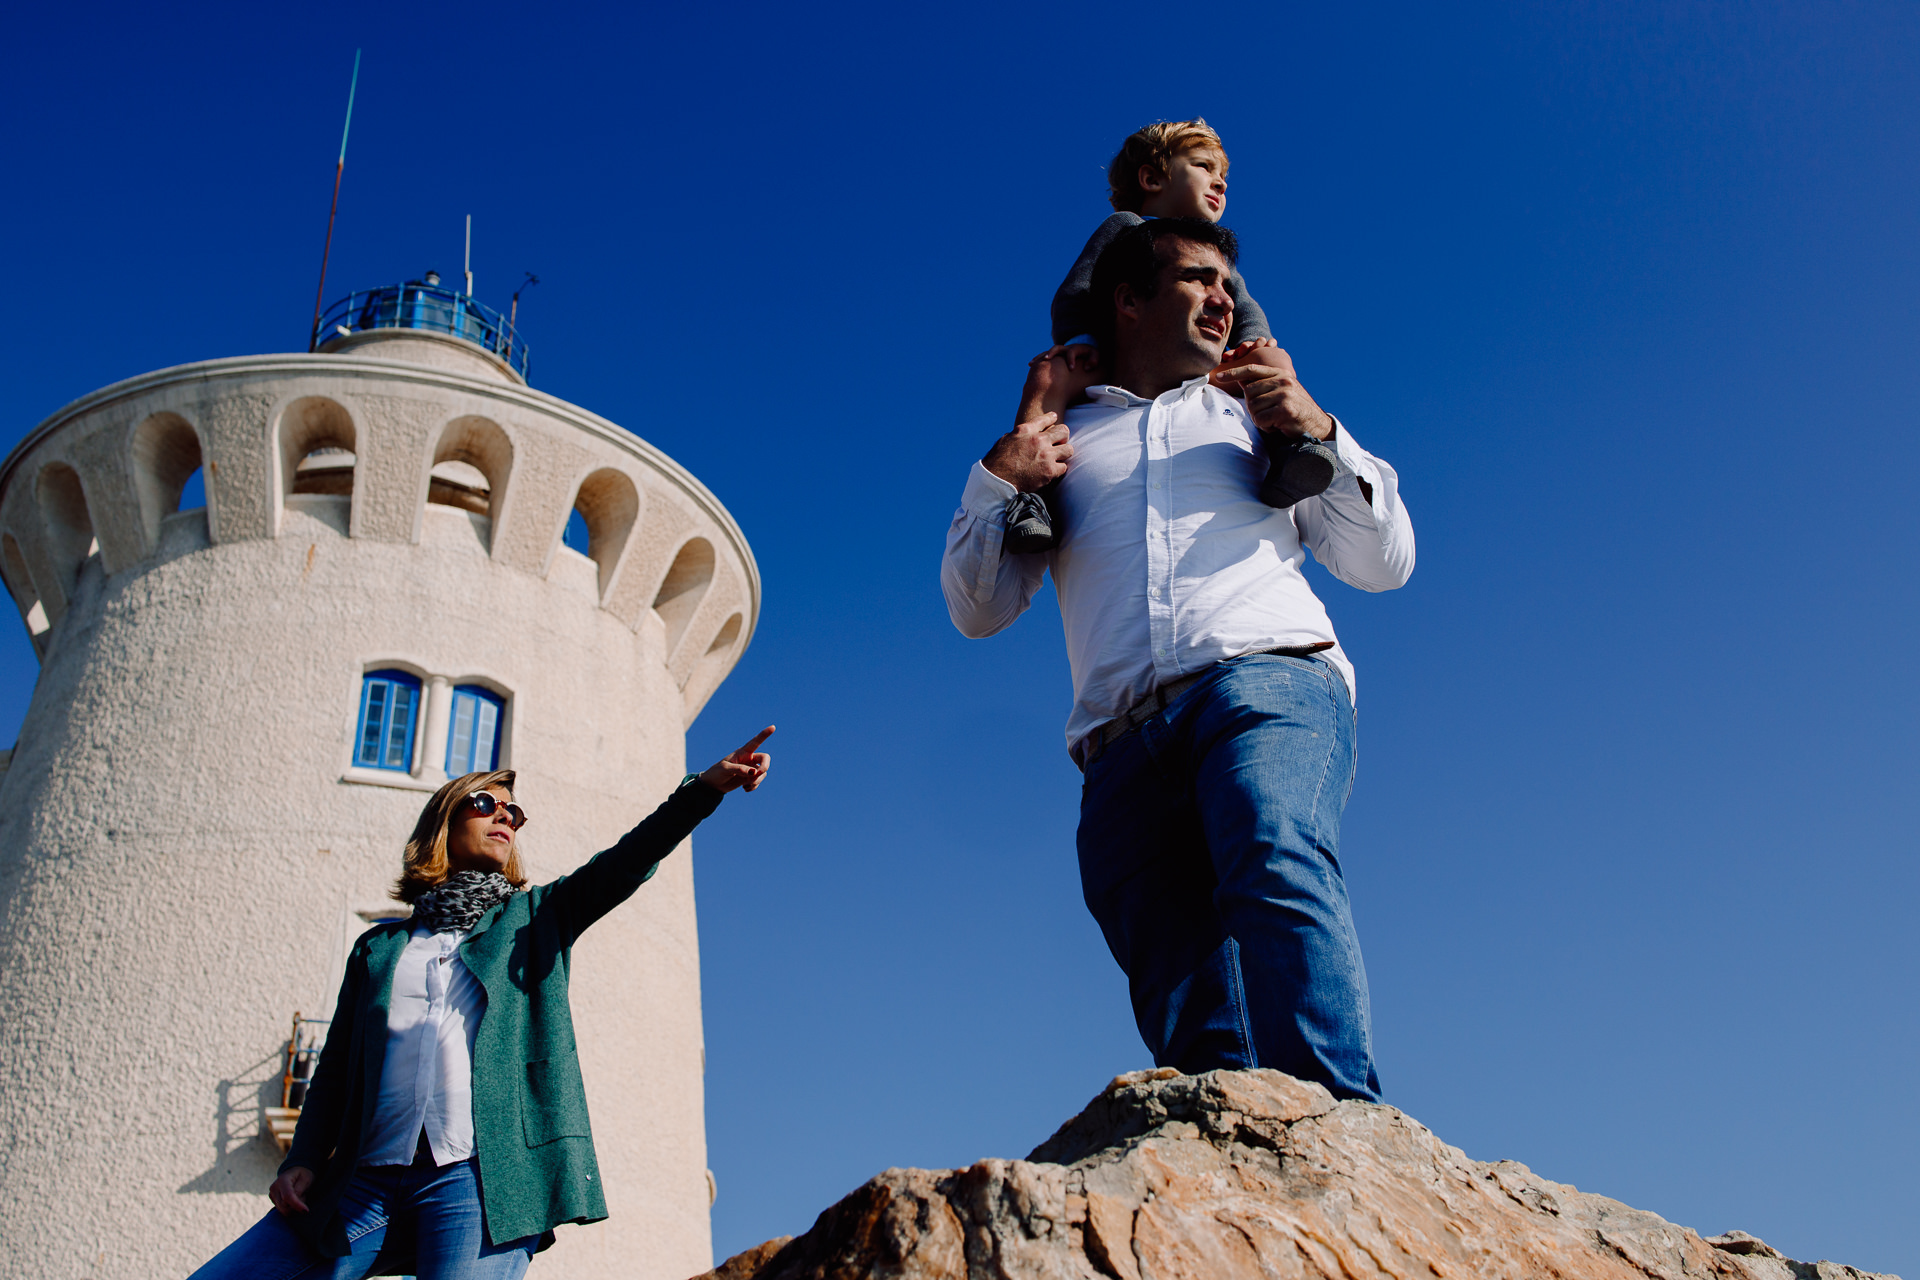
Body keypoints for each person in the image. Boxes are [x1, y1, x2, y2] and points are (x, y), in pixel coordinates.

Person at [941, 217, 1415, 1100]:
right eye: (1198, 279)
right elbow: (979, 610)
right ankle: (1233, 1158)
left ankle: (1347, 1130)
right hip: (1120, 749)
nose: (1223, 298)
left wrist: (1318, 425)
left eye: (1227, 285)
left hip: (1266, 680)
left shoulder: (1255, 413)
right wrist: (1000, 476)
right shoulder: (1063, 440)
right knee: (1179, 976)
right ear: (1128, 301)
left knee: (1273, 846)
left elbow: (1383, 564)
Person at [188, 727, 775, 1279]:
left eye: (513, 813)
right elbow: (338, 1064)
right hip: (363, 1180)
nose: (505, 817)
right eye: (485, 805)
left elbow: (625, 862)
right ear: (443, 823)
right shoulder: (381, 947)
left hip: (475, 1179)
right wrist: (306, 1157)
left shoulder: (535, 917)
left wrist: (703, 791)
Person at [1003, 118, 1341, 554]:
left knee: (1276, 364)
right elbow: (1076, 290)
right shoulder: (1125, 229)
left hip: (1210, 358)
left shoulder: (1215, 251)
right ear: (1152, 179)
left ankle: (1289, 453)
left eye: (1224, 177)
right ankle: (1033, 495)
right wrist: (1080, 340)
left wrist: (1256, 344)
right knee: (1050, 373)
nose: (1219, 182)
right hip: (1109, 356)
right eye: (1203, 166)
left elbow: (1246, 307)